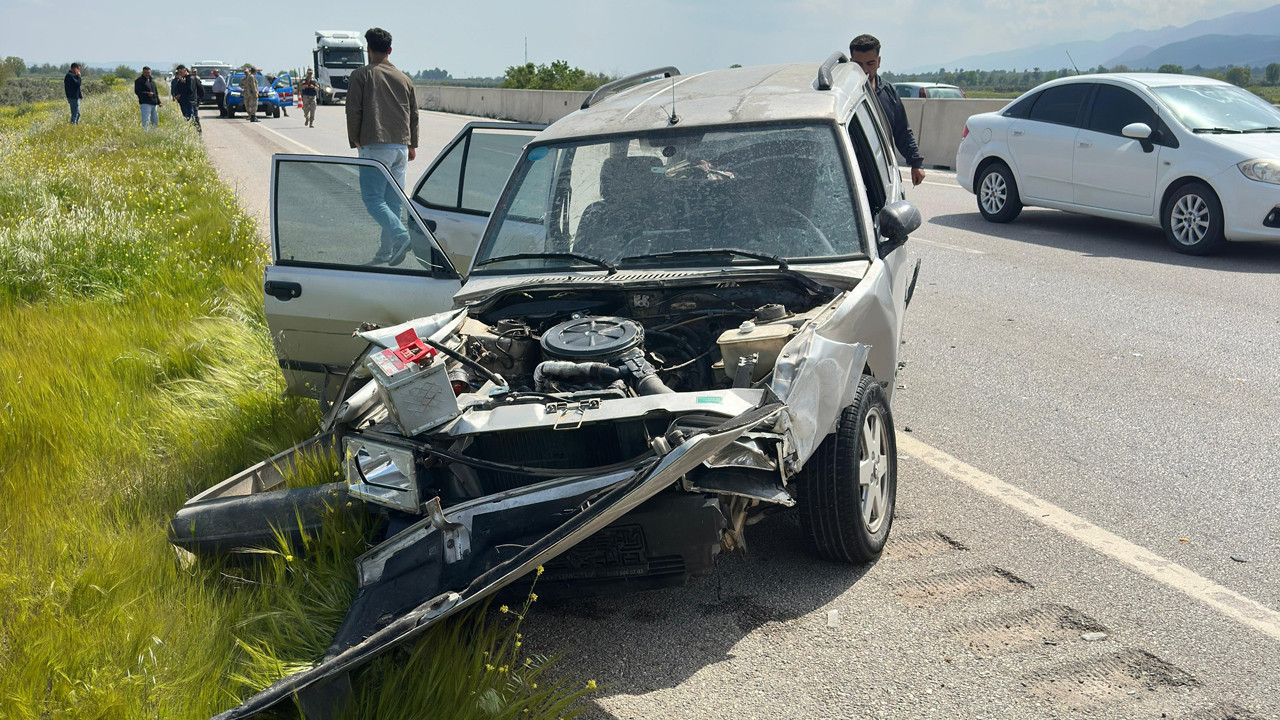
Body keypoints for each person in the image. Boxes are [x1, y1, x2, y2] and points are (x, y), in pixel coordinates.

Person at [346, 27, 419, 265]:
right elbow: (413, 114)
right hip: (400, 146)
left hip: (375, 145)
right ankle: (386, 251)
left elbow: (353, 109)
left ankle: (400, 236)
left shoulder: (361, 75)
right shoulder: (404, 78)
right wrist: (412, 144)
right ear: (390, 50)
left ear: (368, 49)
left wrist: (355, 138)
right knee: (393, 201)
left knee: (373, 199)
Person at [848, 34, 926, 186]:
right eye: (858, 64)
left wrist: (916, 163)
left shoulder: (888, 92)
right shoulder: (843, 95)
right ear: (851, 63)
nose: (864, 70)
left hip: (884, 173)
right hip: (852, 175)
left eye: (870, 64)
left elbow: (902, 131)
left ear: (879, 62)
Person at [173, 65, 205, 130]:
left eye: (181, 72)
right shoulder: (181, 79)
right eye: (179, 72)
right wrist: (177, 95)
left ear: (185, 71)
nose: (180, 74)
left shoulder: (191, 78)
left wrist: (184, 84)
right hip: (183, 101)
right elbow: (176, 88)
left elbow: (190, 90)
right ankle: (191, 131)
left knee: (192, 118)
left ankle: (197, 132)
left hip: (190, 102)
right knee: (187, 118)